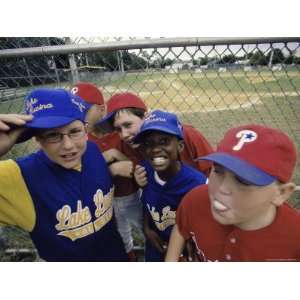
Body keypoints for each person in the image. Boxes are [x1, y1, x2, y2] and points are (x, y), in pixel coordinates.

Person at [0, 88, 127, 262]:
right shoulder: (20, 176)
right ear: (38, 139)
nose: (68, 146)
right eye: (53, 135)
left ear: (86, 129)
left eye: (74, 131)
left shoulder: (91, 150)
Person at [96, 92, 213, 260]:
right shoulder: (129, 145)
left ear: (146, 116)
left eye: (128, 125)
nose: (124, 134)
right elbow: (148, 195)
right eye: (118, 129)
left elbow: (213, 174)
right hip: (163, 221)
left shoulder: (186, 134)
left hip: (196, 213)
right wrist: (146, 227)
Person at [165, 124, 300, 262]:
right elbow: (182, 228)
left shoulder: (295, 238)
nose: (222, 188)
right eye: (218, 171)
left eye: (243, 181)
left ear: (281, 193)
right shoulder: (195, 200)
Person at [133, 110, 207, 261]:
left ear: (180, 146)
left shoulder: (197, 183)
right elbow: (147, 203)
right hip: (155, 245)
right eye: (148, 144)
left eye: (164, 141)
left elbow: (203, 223)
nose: (155, 149)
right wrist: (147, 229)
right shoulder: (144, 170)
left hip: (187, 251)